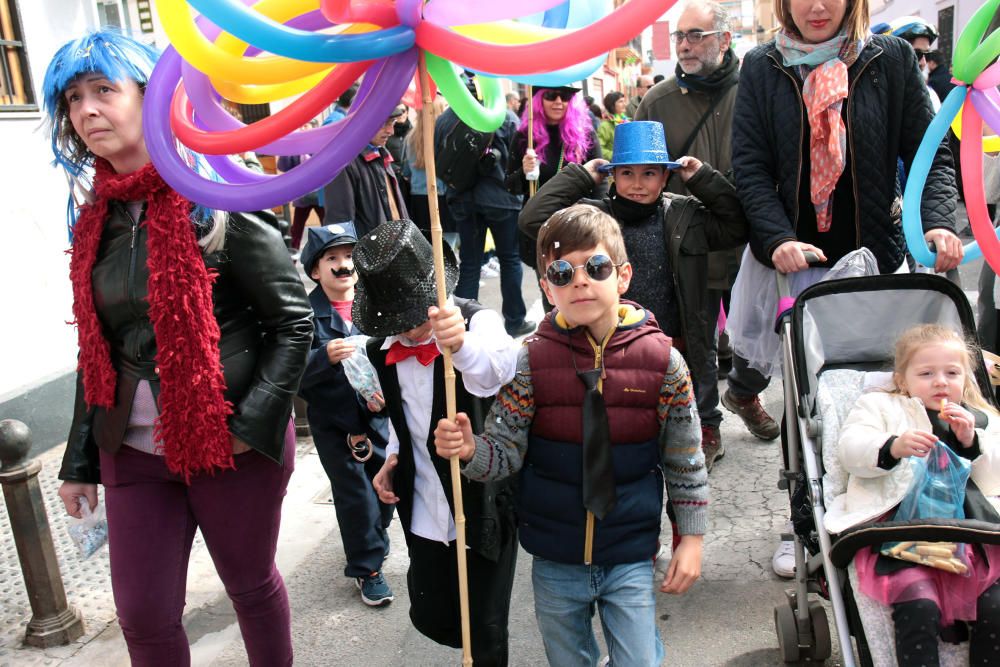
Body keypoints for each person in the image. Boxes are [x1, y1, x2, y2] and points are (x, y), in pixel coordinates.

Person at [46, 30, 312, 666]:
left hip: (228, 441)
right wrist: (79, 461)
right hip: (134, 453)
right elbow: (98, 349)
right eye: (74, 99)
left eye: (105, 90)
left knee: (249, 585)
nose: (87, 111)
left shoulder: (219, 197)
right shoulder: (95, 219)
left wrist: (251, 426)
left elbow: (294, 323)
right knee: (142, 615)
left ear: (152, 97)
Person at [728, 0, 962, 578]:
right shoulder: (762, 66)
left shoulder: (892, 59)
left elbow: (932, 153)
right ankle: (800, 521)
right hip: (794, 265)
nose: (816, 6)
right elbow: (750, 165)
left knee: (883, 386)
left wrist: (937, 219)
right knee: (806, 399)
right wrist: (777, 235)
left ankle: (894, 504)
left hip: (878, 261)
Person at [435, 204, 708, 665]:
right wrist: (470, 450)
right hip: (555, 558)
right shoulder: (531, 361)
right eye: (562, 272)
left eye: (595, 267)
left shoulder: (664, 362)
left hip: (630, 551)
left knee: (639, 660)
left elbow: (685, 459)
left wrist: (692, 539)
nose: (579, 280)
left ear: (622, 276)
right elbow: (505, 451)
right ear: (546, 288)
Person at [519, 121, 747, 473]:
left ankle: (706, 425)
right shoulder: (593, 219)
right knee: (628, 417)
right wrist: (581, 176)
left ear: (665, 177)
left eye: (649, 174)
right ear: (612, 176)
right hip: (611, 340)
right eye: (626, 173)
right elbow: (533, 221)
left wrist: (702, 178)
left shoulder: (685, 215)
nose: (637, 184)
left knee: (687, 396)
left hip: (677, 336)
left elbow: (736, 224)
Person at [357, 220, 519, 666]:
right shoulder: (380, 350)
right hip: (424, 500)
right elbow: (398, 414)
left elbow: (495, 371)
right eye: (396, 319)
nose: (409, 330)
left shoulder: (476, 320)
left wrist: (461, 344)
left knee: (484, 627)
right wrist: (390, 457)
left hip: (482, 494)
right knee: (434, 614)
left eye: (414, 315)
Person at [637, 0, 779, 464]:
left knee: (764, 331)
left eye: (695, 35)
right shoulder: (657, 101)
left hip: (753, 239)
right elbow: (641, 174)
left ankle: (743, 391)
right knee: (696, 341)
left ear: (724, 39)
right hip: (690, 245)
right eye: (680, 36)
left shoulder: (756, 88)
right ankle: (707, 424)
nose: (684, 45)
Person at [824, 324, 1000, 665]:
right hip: (901, 530)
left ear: (966, 379)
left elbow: (995, 481)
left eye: (951, 373)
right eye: (927, 373)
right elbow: (850, 450)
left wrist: (972, 441)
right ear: (903, 380)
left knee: (995, 606)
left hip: (970, 530)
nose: (940, 381)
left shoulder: (980, 419)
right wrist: (893, 446)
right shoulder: (880, 405)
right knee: (917, 603)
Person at [297, 223, 396, 607]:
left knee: (388, 485)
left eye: (350, 257)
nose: (343, 265)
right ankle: (367, 568)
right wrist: (323, 356)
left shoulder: (379, 302)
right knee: (355, 496)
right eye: (332, 258)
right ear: (315, 271)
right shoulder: (304, 314)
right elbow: (291, 371)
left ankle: (376, 534)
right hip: (335, 424)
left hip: (381, 416)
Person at [436, 93, 534, 338]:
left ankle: (466, 324)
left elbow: (439, 159)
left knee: (469, 263)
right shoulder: (504, 115)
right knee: (510, 259)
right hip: (502, 199)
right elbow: (518, 159)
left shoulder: (446, 118)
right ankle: (514, 320)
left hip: (462, 198)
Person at [507, 85, 603, 275]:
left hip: (578, 224)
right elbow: (510, 185)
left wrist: (600, 219)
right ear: (539, 100)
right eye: (551, 96)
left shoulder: (584, 134)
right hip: (540, 226)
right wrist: (523, 172)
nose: (559, 102)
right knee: (551, 291)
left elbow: (600, 179)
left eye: (565, 96)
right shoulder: (524, 137)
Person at [322, 104, 409, 237]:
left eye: (392, 123)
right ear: (363, 121)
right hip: (368, 253)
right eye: (384, 124)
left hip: (391, 249)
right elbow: (340, 222)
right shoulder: (342, 162)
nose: (391, 131)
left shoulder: (381, 152)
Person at [403, 94, 455, 238]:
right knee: (447, 248)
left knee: (426, 248)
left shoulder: (410, 138)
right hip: (443, 197)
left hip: (419, 199)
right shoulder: (446, 136)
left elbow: (406, 171)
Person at [277, 118, 324, 257]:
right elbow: (283, 166)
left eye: (306, 125)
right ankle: (292, 260)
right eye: (301, 125)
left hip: (321, 194)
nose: (303, 128)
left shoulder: (320, 144)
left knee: (328, 225)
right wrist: (289, 145)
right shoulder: (295, 147)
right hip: (302, 195)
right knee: (296, 231)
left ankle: (329, 253)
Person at [596, 91, 628, 161]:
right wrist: (617, 156)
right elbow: (599, 149)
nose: (624, 104)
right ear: (612, 105)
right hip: (614, 165)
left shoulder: (626, 121)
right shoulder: (605, 126)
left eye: (624, 101)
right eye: (620, 102)